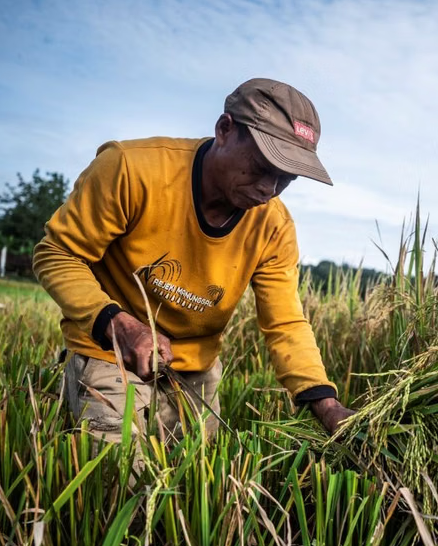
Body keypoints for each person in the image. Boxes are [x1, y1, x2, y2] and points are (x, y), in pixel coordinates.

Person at [33, 78, 355, 444]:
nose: (269, 188)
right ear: (225, 129)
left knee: (196, 489)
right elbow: (57, 253)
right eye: (263, 165)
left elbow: (285, 322)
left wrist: (327, 405)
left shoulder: (273, 227)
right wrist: (117, 323)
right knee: (123, 483)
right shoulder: (132, 170)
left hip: (195, 372)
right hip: (111, 354)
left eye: (287, 178)